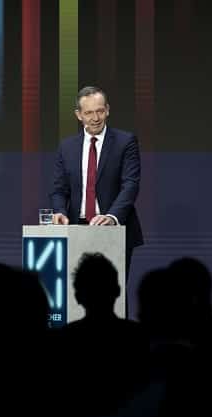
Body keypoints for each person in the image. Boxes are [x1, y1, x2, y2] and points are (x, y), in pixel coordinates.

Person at [50, 86, 143, 278]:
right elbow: (59, 189)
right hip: (76, 229)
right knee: (76, 290)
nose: (95, 118)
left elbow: (130, 185)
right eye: (89, 113)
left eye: (100, 111)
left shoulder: (125, 142)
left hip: (114, 229)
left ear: (107, 110)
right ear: (78, 115)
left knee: (113, 291)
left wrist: (112, 217)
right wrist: (60, 211)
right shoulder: (67, 147)